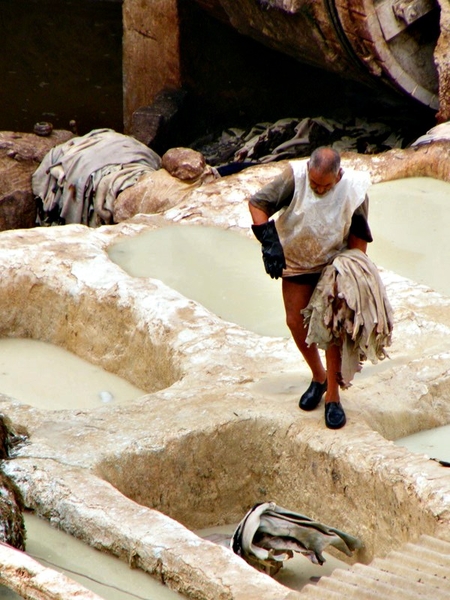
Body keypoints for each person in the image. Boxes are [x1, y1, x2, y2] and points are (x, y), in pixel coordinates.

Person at [248, 146, 373, 429]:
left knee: (330, 330)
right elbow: (258, 204)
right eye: (314, 183)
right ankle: (318, 376)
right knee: (295, 322)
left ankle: (332, 395)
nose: (317, 189)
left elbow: (359, 233)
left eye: (324, 185)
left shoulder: (354, 189)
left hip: (332, 264)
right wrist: (269, 242)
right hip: (297, 259)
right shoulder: (294, 178)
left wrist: (352, 272)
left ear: (338, 176)